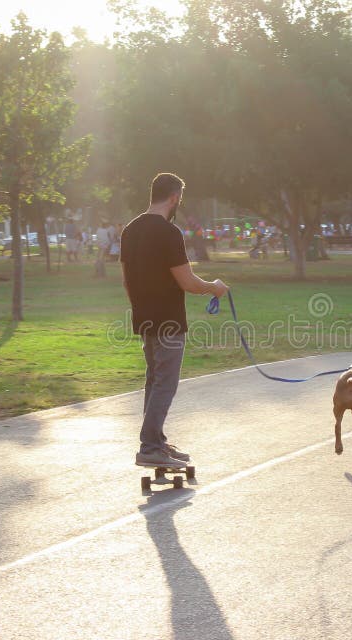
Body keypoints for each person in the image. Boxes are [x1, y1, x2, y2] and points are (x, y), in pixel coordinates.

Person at [121, 173, 228, 468]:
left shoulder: (130, 230)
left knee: (155, 380)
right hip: (168, 319)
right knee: (165, 383)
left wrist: (140, 309)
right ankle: (149, 447)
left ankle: (156, 442)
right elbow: (188, 282)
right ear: (174, 197)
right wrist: (214, 287)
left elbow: (127, 280)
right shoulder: (169, 233)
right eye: (179, 197)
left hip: (144, 317)